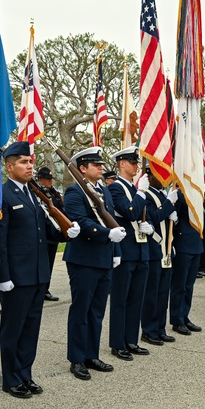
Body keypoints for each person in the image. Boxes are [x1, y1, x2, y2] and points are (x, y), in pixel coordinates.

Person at [0, 142, 71, 395]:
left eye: (30, 162)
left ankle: (25, 374)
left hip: (37, 275)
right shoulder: (2, 194)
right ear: (9, 166)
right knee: (13, 329)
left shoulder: (32, 194)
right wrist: (3, 276)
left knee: (31, 329)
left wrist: (66, 233)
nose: (29, 166)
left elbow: (44, 232)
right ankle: (11, 379)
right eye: (24, 162)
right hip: (16, 277)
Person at [63, 146, 123, 380]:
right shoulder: (74, 192)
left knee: (97, 311)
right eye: (95, 165)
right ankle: (77, 359)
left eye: (100, 164)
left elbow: (112, 220)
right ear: (82, 169)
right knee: (81, 310)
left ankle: (91, 354)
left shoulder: (103, 191)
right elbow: (81, 220)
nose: (100, 168)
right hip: (84, 260)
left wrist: (115, 249)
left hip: (104, 258)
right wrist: (107, 236)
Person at [106, 146, 151, 361]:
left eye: (137, 162)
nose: (136, 166)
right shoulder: (116, 188)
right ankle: (117, 343)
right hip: (125, 252)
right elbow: (130, 211)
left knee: (136, 299)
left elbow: (144, 214)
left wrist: (148, 226)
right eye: (133, 162)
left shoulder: (134, 188)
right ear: (122, 164)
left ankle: (131, 340)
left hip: (141, 251)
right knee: (121, 299)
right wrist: (142, 192)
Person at [140, 166, 177, 342]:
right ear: (149, 176)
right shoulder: (146, 195)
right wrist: (169, 204)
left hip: (166, 249)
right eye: (158, 174)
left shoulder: (162, 194)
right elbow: (153, 218)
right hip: (154, 250)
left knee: (163, 293)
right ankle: (149, 330)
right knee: (152, 294)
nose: (163, 178)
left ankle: (160, 328)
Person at [168, 183, 204, 334]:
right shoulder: (178, 194)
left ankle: (185, 316)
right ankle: (177, 319)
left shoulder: (197, 193)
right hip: (183, 244)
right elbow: (173, 219)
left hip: (195, 243)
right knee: (179, 285)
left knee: (189, 285)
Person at [35, 166, 63, 302]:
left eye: (50, 179)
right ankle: (40, 289)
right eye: (47, 179)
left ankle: (46, 289)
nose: (50, 182)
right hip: (44, 234)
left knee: (50, 263)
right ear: (40, 180)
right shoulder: (37, 193)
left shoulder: (54, 193)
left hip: (54, 233)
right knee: (42, 264)